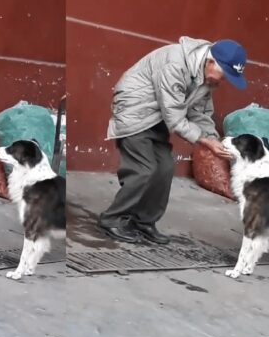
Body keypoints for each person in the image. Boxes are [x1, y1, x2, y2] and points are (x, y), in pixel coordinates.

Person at [98, 37, 248, 244]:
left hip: (158, 115)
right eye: (225, 75)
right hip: (135, 110)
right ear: (212, 62)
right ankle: (112, 219)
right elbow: (175, 118)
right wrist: (205, 142)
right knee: (144, 169)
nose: (224, 82)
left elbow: (200, 113)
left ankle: (143, 222)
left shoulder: (206, 77)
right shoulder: (175, 64)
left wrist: (215, 140)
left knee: (165, 167)